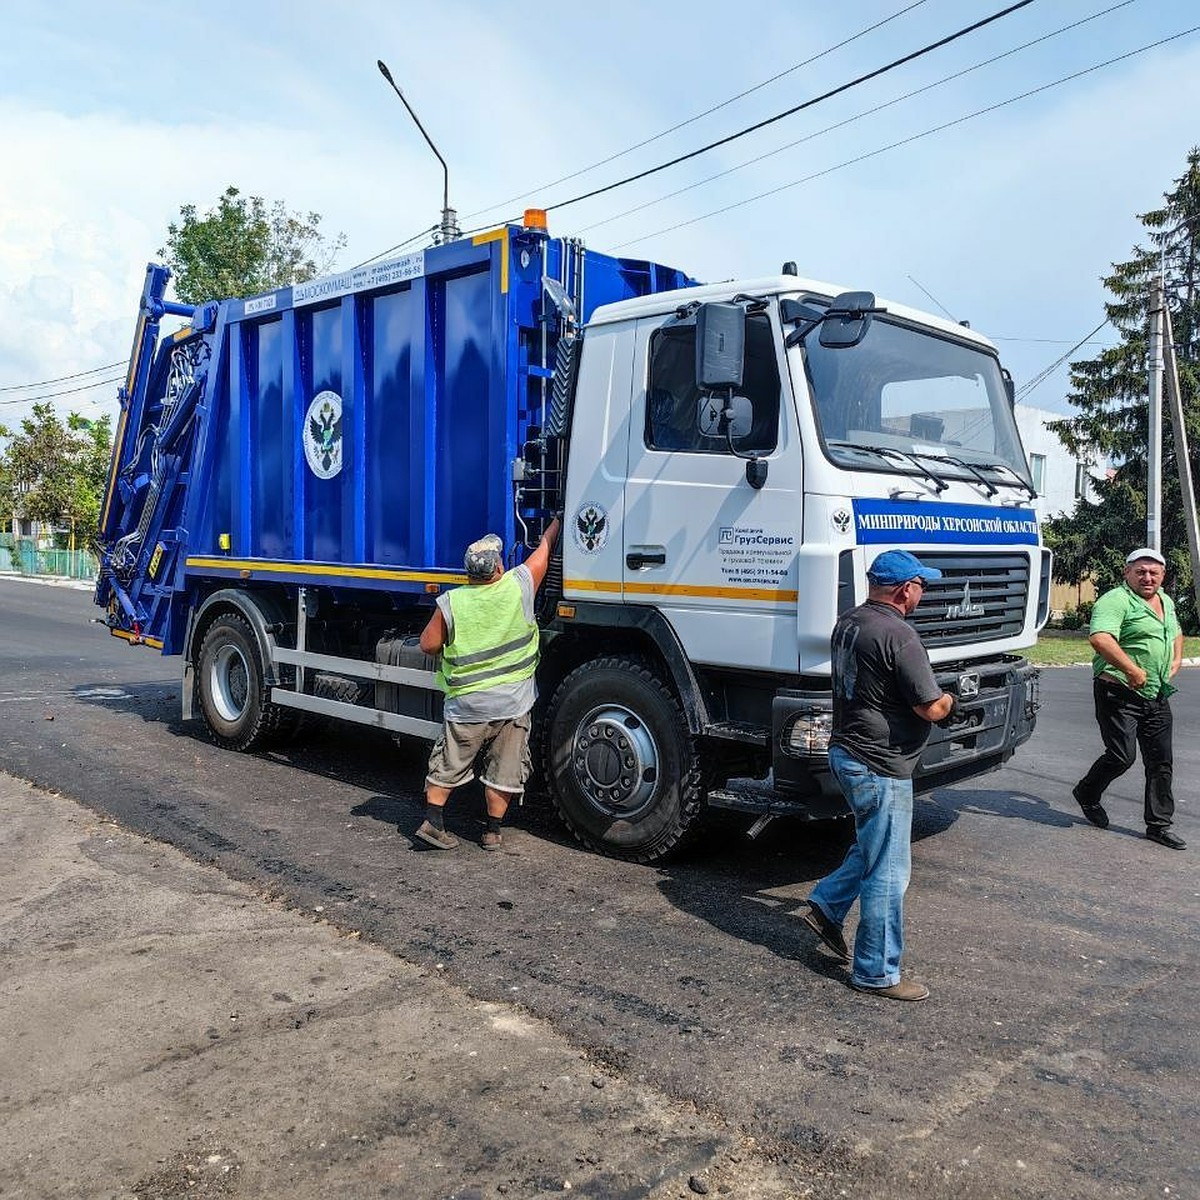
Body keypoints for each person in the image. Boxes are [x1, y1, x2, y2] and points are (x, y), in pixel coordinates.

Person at [802, 549, 960, 1002]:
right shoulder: (901, 635)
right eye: (921, 586)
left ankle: (827, 905)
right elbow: (930, 706)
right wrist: (952, 703)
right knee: (888, 870)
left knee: (875, 845)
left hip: (846, 752)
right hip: (879, 764)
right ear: (905, 589)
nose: (923, 593)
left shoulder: (849, 622)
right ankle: (875, 971)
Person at [413, 516, 560, 852]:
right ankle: (492, 832)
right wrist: (556, 522)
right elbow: (544, 552)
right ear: (497, 567)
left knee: (451, 761)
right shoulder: (518, 585)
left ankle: (433, 822)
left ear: (469, 573)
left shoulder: (453, 602)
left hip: (468, 705)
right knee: (504, 768)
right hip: (513, 703)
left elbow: (428, 644)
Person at [1072, 548, 1185, 850]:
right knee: (1122, 756)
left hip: (1156, 693)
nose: (1147, 578)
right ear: (1127, 573)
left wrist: (1175, 660)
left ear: (1162, 575)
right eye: (1141, 572)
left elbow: (1175, 632)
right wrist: (1131, 669)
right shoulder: (1115, 601)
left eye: (1154, 573)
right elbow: (1100, 638)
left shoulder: (1166, 601)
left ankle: (1158, 825)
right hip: (1119, 692)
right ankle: (1087, 792)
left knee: (1161, 761)